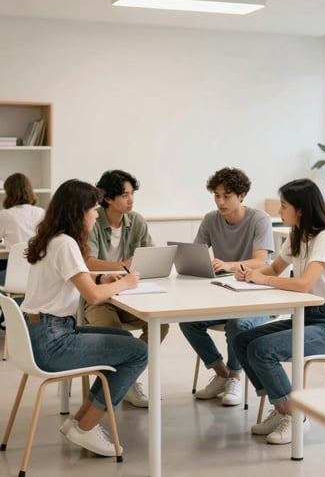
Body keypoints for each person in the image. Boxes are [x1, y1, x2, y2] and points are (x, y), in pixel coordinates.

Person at [21, 179, 148, 457]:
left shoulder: (53, 239)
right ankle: (87, 426)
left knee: (124, 341)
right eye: (93, 209)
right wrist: (125, 284)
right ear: (78, 211)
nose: (96, 214)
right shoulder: (66, 244)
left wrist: (103, 277)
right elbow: (92, 296)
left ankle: (79, 421)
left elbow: (77, 276)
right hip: (53, 343)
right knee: (138, 352)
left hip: (42, 333)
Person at [232, 178, 325, 445]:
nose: (279, 211)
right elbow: (274, 269)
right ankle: (282, 405)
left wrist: (263, 280)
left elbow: (304, 283)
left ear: (301, 209)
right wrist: (249, 273)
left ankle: (295, 415)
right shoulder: (297, 234)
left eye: (284, 206)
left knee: (263, 350)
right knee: (243, 341)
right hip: (305, 316)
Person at [179, 167, 274, 407]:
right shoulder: (211, 219)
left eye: (227, 196)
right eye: (217, 195)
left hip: (258, 296)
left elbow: (260, 262)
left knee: (237, 324)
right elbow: (196, 252)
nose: (220, 201)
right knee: (188, 321)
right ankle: (221, 374)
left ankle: (235, 375)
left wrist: (228, 265)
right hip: (224, 295)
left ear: (242, 195)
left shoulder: (259, 219)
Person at [84, 169, 168, 408]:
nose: (131, 200)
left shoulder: (137, 221)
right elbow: (87, 261)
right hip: (99, 295)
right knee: (112, 332)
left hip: (131, 294)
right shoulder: (93, 219)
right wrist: (122, 266)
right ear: (108, 199)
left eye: (132, 194)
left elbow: (149, 255)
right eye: (124, 195)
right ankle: (123, 382)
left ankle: (128, 378)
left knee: (159, 325)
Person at [0, 172, 45, 284]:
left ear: (8, 193)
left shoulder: (5, 215)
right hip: (39, 273)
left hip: (13, 275)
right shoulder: (42, 212)